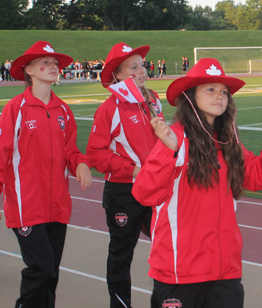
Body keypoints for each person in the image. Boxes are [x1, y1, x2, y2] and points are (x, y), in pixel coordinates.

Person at [131, 58, 262, 308]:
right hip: (180, 270)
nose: (219, 96)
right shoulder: (174, 136)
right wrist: (167, 153)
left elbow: (259, 176)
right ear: (190, 96)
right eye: (210, 89)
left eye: (223, 92)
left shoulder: (227, 142)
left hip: (224, 271)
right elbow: (145, 194)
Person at [0, 41, 92, 308]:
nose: (52, 67)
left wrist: (81, 163)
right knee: (41, 270)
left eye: (55, 64)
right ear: (28, 70)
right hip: (26, 205)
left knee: (51, 275)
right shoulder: (16, 108)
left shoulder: (63, 109)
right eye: (45, 63)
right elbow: (0, 153)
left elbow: (71, 150)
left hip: (57, 207)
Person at [86, 42, 164, 308]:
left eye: (143, 64)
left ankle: (166, 302)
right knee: (121, 256)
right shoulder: (109, 108)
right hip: (124, 192)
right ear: (118, 75)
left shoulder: (153, 99)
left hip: (156, 190)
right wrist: (133, 170)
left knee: (168, 249)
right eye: (135, 66)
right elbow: (95, 153)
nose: (143, 70)